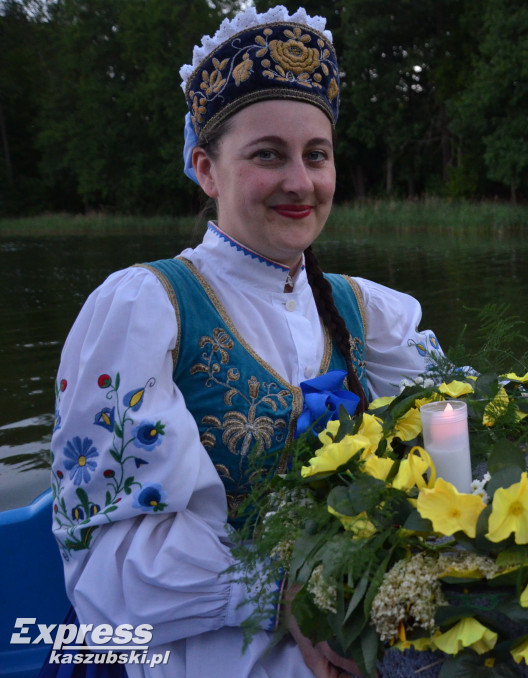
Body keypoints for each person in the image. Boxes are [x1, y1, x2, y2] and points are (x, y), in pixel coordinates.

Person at [48, 6, 441, 677]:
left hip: (351, 609)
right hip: (208, 635)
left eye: (316, 156)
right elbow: (111, 562)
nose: (300, 181)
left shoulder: (366, 312)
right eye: (268, 155)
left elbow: (451, 448)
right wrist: (288, 596)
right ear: (206, 169)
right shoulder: (148, 307)